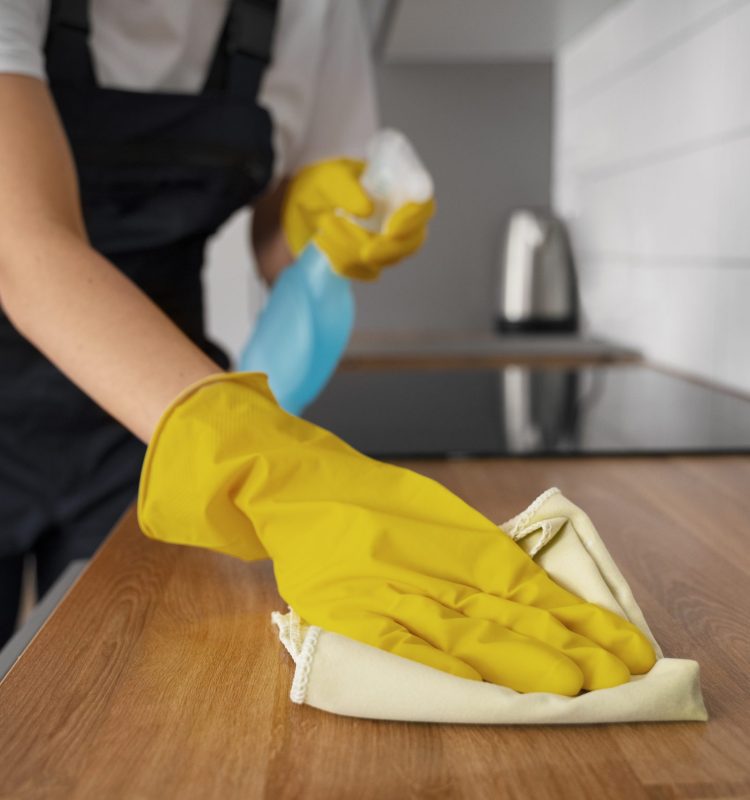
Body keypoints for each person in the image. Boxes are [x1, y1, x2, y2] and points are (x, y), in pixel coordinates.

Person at [0, 0, 656, 693]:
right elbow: (23, 245)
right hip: (171, 412)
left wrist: (314, 224)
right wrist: (269, 464)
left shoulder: (311, 11)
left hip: (150, 422)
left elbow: (274, 248)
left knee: (120, 691)